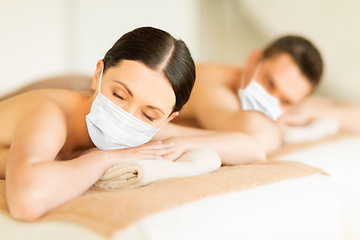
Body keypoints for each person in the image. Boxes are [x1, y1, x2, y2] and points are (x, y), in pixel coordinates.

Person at [0, 27, 265, 221]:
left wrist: (179, 144)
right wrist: (106, 159)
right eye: (118, 94)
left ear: (166, 119)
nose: (125, 116)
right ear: (97, 75)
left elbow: (252, 147)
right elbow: (28, 200)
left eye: (149, 115)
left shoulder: (143, 131)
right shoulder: (48, 113)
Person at [172, 36, 326, 153]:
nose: (270, 100)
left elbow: (349, 114)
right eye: (269, 83)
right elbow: (259, 134)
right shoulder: (208, 86)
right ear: (254, 60)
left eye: (285, 101)